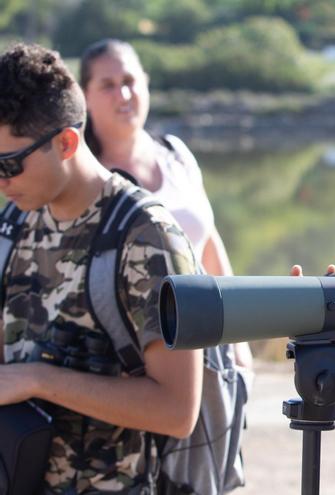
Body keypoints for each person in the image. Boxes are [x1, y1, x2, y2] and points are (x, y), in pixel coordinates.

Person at [0, 43, 202, 493]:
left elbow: (177, 411)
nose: (2, 181)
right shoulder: (12, 224)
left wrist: (38, 379)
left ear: (66, 142)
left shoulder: (147, 236)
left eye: (9, 164)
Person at [78, 39, 251, 369]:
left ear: (145, 83)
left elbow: (210, 244)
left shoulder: (175, 153)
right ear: (85, 95)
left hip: (209, 346)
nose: (123, 95)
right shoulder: (85, 174)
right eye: (108, 85)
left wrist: (238, 340)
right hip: (131, 360)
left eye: (129, 82)